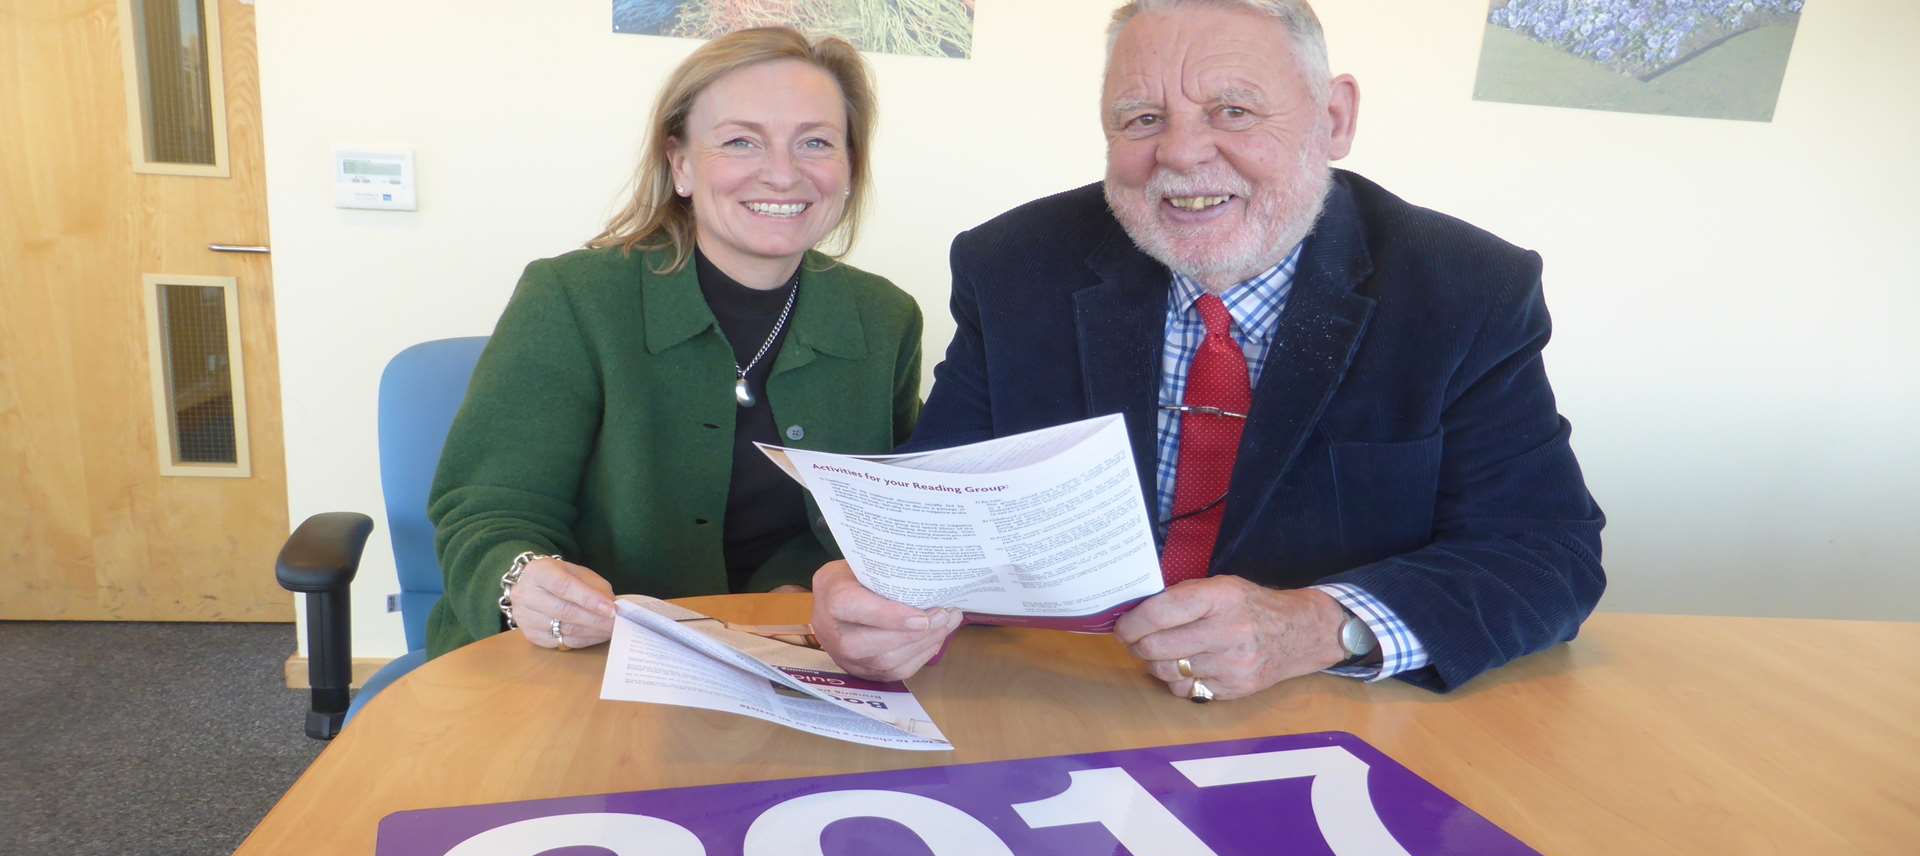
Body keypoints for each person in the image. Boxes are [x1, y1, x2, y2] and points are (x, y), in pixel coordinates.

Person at [810, 0, 1605, 698]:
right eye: (1142, 119)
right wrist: (880, 599)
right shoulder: (1015, 266)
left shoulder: (1465, 290)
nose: (1182, 154)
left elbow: (1545, 554)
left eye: (1232, 111)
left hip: (1326, 719)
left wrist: (1320, 626)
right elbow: (936, 510)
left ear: (1334, 119)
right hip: (1063, 696)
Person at [427, 27, 921, 659]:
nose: (781, 173)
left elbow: (887, 518)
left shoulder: (885, 317)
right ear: (681, 164)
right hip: (588, 655)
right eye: (741, 140)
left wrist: (806, 602)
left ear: (850, 166)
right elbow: (488, 509)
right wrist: (524, 581)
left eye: (816, 143)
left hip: (797, 648)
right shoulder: (573, 297)